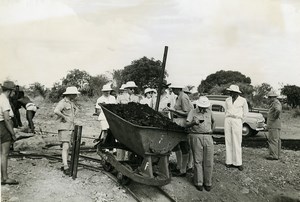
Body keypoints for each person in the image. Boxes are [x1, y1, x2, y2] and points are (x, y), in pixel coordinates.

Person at [186, 96, 215, 192]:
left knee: (209, 160)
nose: (203, 109)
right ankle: (199, 182)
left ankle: (208, 182)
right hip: (196, 136)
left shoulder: (210, 112)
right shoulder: (192, 112)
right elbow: (187, 124)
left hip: (208, 137)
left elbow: (214, 122)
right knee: (198, 160)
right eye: (202, 107)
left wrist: (212, 131)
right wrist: (193, 123)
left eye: (205, 107)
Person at [168, 85, 193, 177]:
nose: (173, 90)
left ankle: (183, 170)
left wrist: (173, 110)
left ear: (178, 88)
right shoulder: (178, 97)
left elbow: (187, 112)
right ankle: (179, 166)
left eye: (174, 89)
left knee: (184, 145)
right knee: (177, 145)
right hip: (177, 121)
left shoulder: (183, 97)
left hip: (182, 122)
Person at [54, 86, 80, 175]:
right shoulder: (63, 102)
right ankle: (65, 166)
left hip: (70, 127)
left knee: (68, 146)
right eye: (75, 94)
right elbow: (56, 111)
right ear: (70, 94)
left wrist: (72, 117)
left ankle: (65, 163)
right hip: (64, 127)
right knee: (65, 146)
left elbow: (77, 109)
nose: (76, 95)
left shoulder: (71, 103)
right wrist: (64, 117)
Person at [224, 84, 248, 171]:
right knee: (228, 140)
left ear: (236, 92)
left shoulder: (243, 100)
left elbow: (245, 113)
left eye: (232, 92)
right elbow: (226, 110)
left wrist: (240, 121)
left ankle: (238, 162)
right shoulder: (227, 100)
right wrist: (228, 118)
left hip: (237, 120)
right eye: (230, 92)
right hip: (228, 120)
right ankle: (229, 161)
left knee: (237, 141)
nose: (230, 93)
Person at [1, 81, 19, 185]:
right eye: (13, 91)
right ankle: (4, 178)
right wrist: (12, 133)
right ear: (9, 91)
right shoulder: (4, 100)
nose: (14, 93)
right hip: (3, 127)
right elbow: (7, 119)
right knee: (4, 154)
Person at [266, 90, 282, 160]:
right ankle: (276, 155)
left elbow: (278, 110)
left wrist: (275, 117)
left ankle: (273, 155)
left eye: (269, 97)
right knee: (276, 139)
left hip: (274, 124)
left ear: (273, 97)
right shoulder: (275, 103)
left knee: (273, 139)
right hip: (275, 124)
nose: (268, 99)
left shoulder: (275, 103)